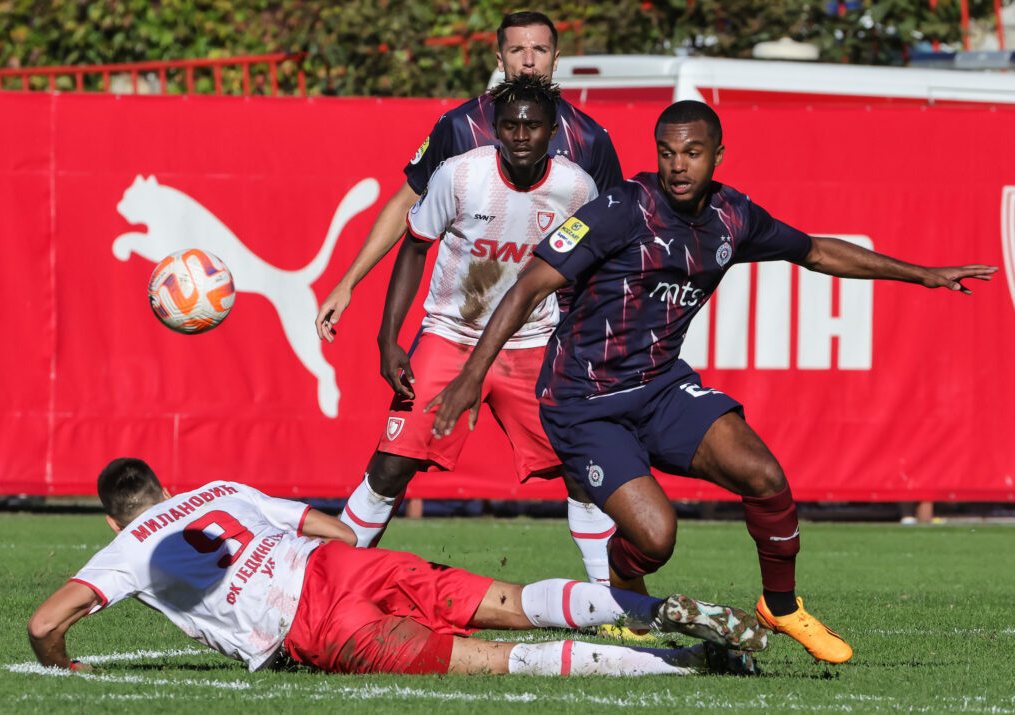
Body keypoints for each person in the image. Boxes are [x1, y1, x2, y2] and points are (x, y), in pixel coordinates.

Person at [425, 100, 999, 665]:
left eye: (693, 153)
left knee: (764, 474)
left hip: (659, 387)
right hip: (585, 400)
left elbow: (817, 251)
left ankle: (780, 604)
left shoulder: (732, 217)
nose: (678, 165)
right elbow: (527, 287)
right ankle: (625, 580)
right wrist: (473, 373)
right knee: (656, 538)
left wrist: (921, 274)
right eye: (667, 153)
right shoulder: (623, 209)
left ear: (717, 156)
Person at [27, 457, 769, 677]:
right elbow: (327, 522)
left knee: (499, 660)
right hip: (343, 566)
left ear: (114, 517)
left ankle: (681, 665)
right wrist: (362, 561)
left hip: (316, 624)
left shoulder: (127, 547)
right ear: (165, 486)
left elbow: (43, 621)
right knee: (509, 601)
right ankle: (648, 608)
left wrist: (63, 665)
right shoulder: (218, 490)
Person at [336, 74, 626, 595]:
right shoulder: (458, 176)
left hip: (533, 343)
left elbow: (599, 264)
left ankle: (614, 601)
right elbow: (415, 247)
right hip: (450, 336)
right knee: (390, 466)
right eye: (510, 124)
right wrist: (388, 338)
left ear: (552, 130)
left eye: (532, 125)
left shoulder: (578, 187)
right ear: (494, 128)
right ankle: (325, 586)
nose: (520, 134)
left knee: (583, 468)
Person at [315, 11, 622, 345]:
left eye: (541, 50)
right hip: (460, 328)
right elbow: (405, 203)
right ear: (500, 59)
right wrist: (348, 283)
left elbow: (614, 235)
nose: (530, 62)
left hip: (546, 333)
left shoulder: (590, 138)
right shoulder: (462, 126)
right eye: (518, 51)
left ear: (556, 58)